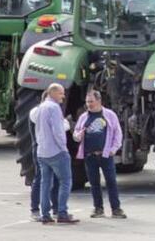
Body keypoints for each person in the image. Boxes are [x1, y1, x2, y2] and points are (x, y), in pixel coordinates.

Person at [72, 90, 125, 219]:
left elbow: (118, 133)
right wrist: (78, 136)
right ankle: (98, 209)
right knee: (94, 183)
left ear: (99, 101)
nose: (88, 104)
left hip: (106, 155)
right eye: (87, 102)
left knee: (111, 182)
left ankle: (116, 209)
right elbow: (76, 134)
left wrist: (114, 148)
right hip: (90, 156)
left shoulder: (109, 115)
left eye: (91, 101)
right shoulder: (84, 117)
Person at [36, 83, 77, 224]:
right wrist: (64, 148)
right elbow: (58, 131)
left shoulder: (40, 108)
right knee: (65, 181)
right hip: (56, 152)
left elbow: (38, 129)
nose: (63, 96)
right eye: (61, 93)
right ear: (52, 93)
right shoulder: (54, 108)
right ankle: (62, 213)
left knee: (45, 184)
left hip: (42, 152)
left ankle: (45, 215)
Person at [28, 90, 59, 222]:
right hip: (42, 149)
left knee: (52, 179)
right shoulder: (37, 112)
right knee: (41, 178)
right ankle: (35, 209)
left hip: (46, 148)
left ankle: (55, 208)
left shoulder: (41, 111)